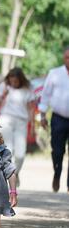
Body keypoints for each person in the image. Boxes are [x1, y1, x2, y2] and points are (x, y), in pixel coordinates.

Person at [0, 68, 35, 186]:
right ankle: (9, 174)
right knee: (9, 149)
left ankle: (16, 173)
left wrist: (33, 126)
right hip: (6, 118)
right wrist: (3, 95)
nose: (13, 83)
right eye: (11, 80)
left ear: (20, 80)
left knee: (20, 153)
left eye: (15, 81)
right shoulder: (4, 86)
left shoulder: (27, 89)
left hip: (21, 121)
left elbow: (31, 108)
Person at [39, 46, 69, 193]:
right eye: (67, 57)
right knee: (57, 151)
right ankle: (57, 174)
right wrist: (43, 116)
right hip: (58, 118)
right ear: (64, 58)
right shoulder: (55, 73)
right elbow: (45, 96)